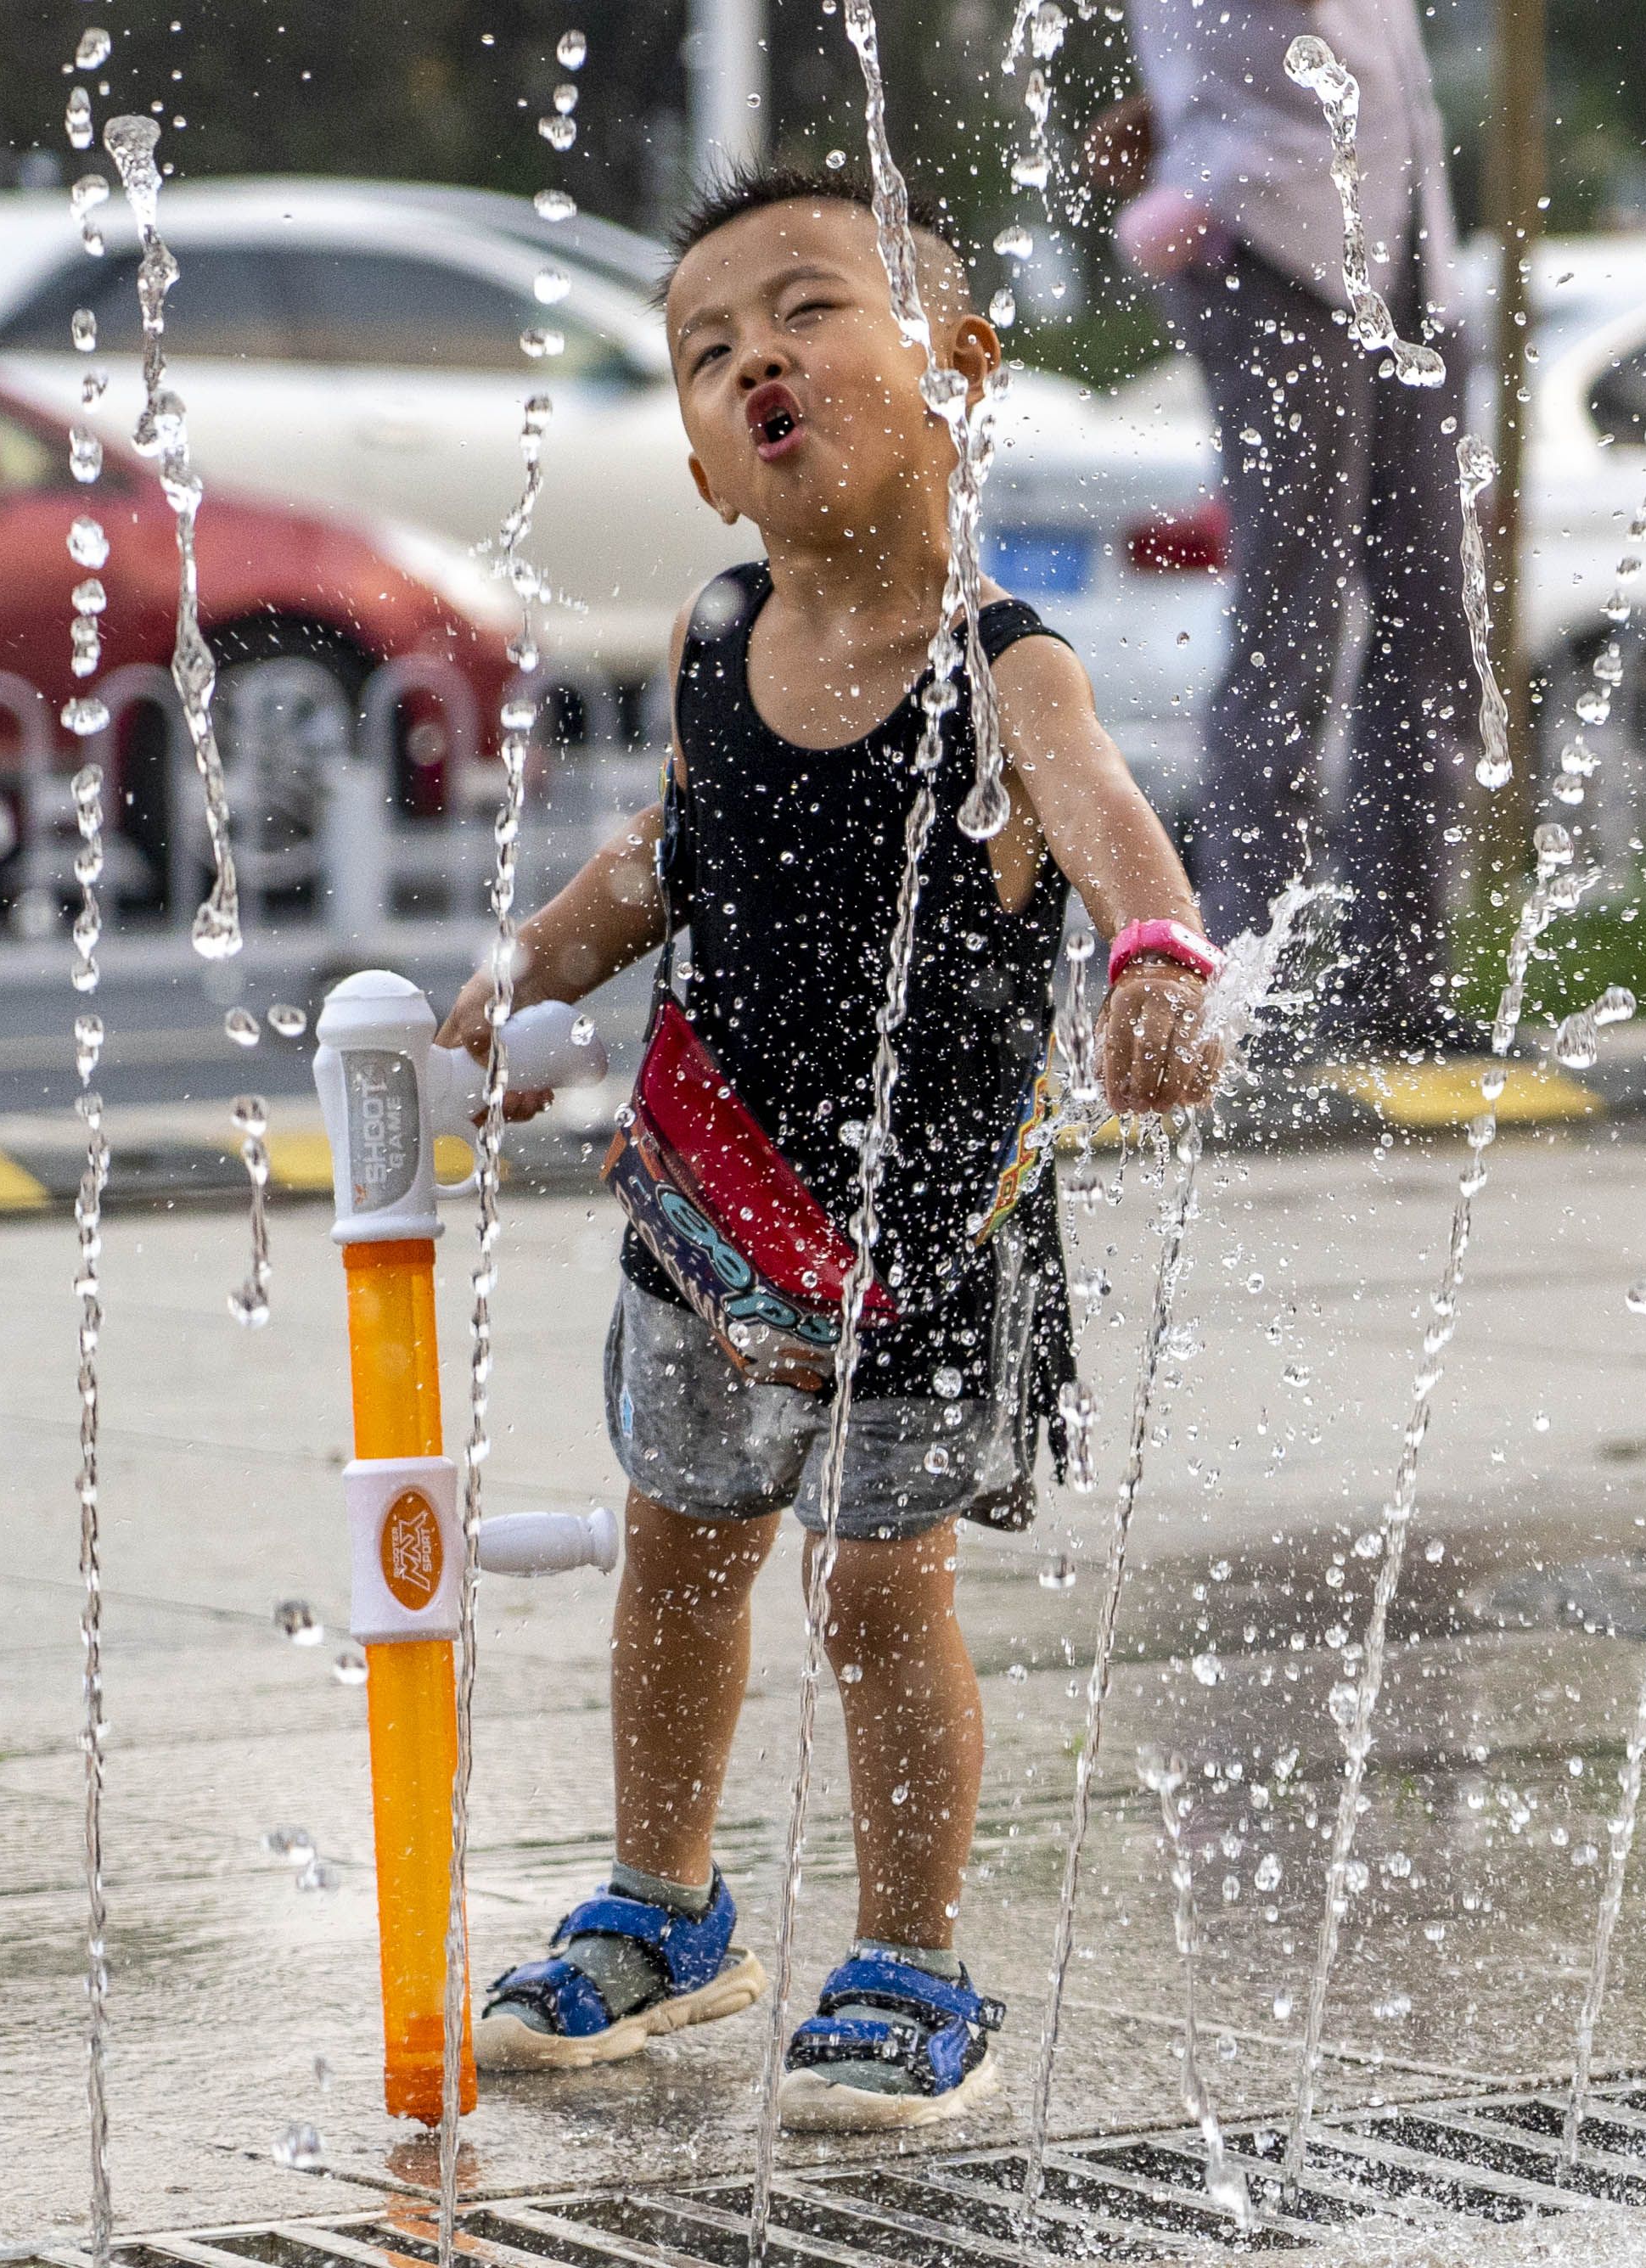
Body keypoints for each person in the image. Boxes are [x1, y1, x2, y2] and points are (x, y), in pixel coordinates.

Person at [435, 163, 1224, 2130]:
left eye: (802, 307)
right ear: (710, 465)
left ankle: (908, 1954)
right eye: (707, 352)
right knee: (679, 1555)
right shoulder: (718, 629)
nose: (752, 360)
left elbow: (1113, 817)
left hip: (927, 1228)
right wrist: (526, 974)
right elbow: (662, 861)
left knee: (880, 1588)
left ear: (955, 372)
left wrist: (1150, 954)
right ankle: (665, 1906)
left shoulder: (1004, 664)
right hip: (705, 1203)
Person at [1100, 0, 1473, 1053]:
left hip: (1402, 237)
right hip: (1267, 231)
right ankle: (1246, 995)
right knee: (1289, 624)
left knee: (1436, 622)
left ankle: (1395, 985)